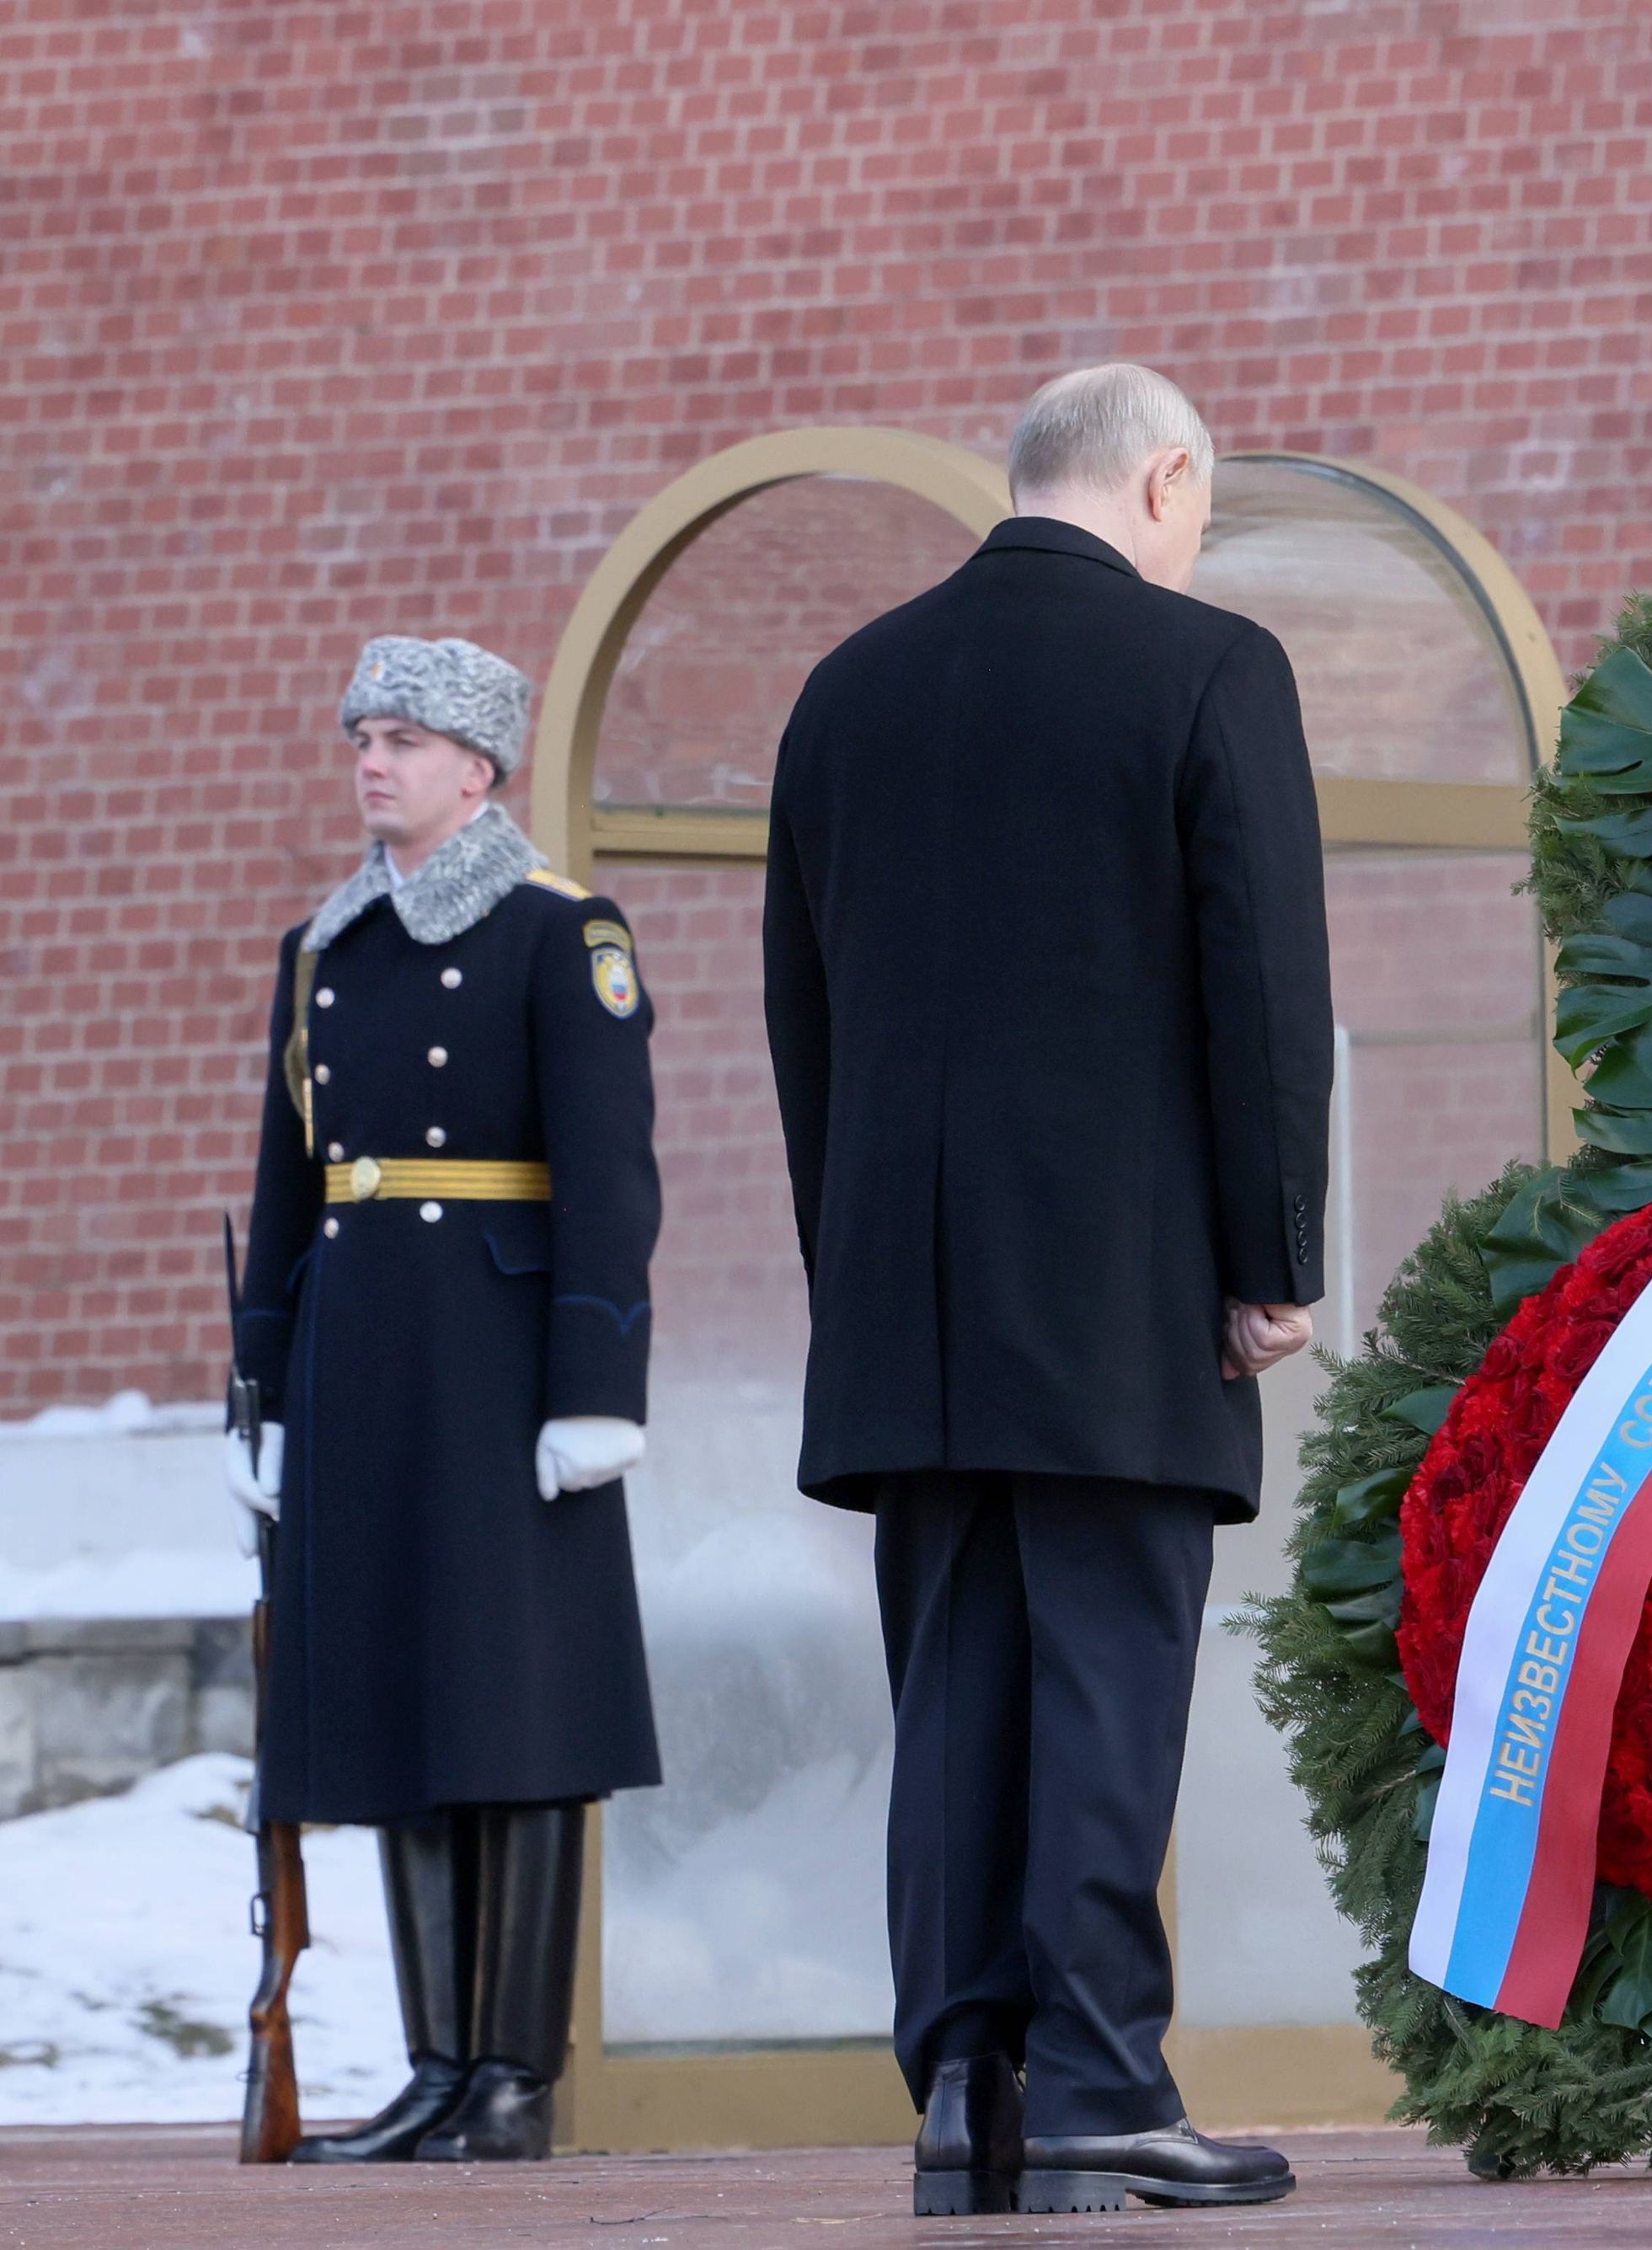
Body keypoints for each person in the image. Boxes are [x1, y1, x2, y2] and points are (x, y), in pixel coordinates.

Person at [762, 364, 1332, 2215]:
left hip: (908, 1299)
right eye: (1201, 509)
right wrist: (1271, 1259)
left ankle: (965, 2086)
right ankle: (1094, 2076)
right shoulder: (1206, 667)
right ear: (1163, 480)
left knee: (955, 1685)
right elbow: (1261, 987)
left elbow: (802, 1017)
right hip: (1118, 1284)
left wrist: (856, 1271)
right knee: (1103, 1672)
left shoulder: (846, 690)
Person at [227, 636, 665, 2164]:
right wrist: (264, 1397)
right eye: (363, 735)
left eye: (405, 740)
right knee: (400, 1696)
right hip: (362, 1360)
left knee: (516, 1704)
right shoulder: (324, 949)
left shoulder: (561, 931)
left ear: (478, 769)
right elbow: (287, 1188)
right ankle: (434, 2071)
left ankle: (512, 2081)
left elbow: (611, 1174)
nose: (373, 761)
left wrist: (597, 1380)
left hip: (502, 1359)